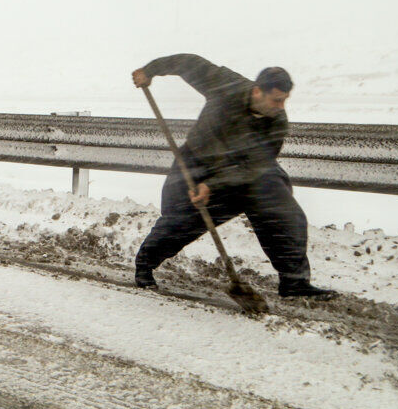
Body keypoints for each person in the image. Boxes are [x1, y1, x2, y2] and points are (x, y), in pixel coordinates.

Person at [131, 54, 336, 299]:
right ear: (258, 91)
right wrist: (150, 70)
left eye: (284, 100)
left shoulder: (276, 122)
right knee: (180, 221)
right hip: (196, 166)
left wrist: (213, 185)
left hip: (242, 176)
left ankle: (295, 282)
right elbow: (190, 64)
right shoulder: (226, 85)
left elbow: (257, 167)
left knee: (279, 203)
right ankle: (145, 264)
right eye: (276, 100)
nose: (281, 107)